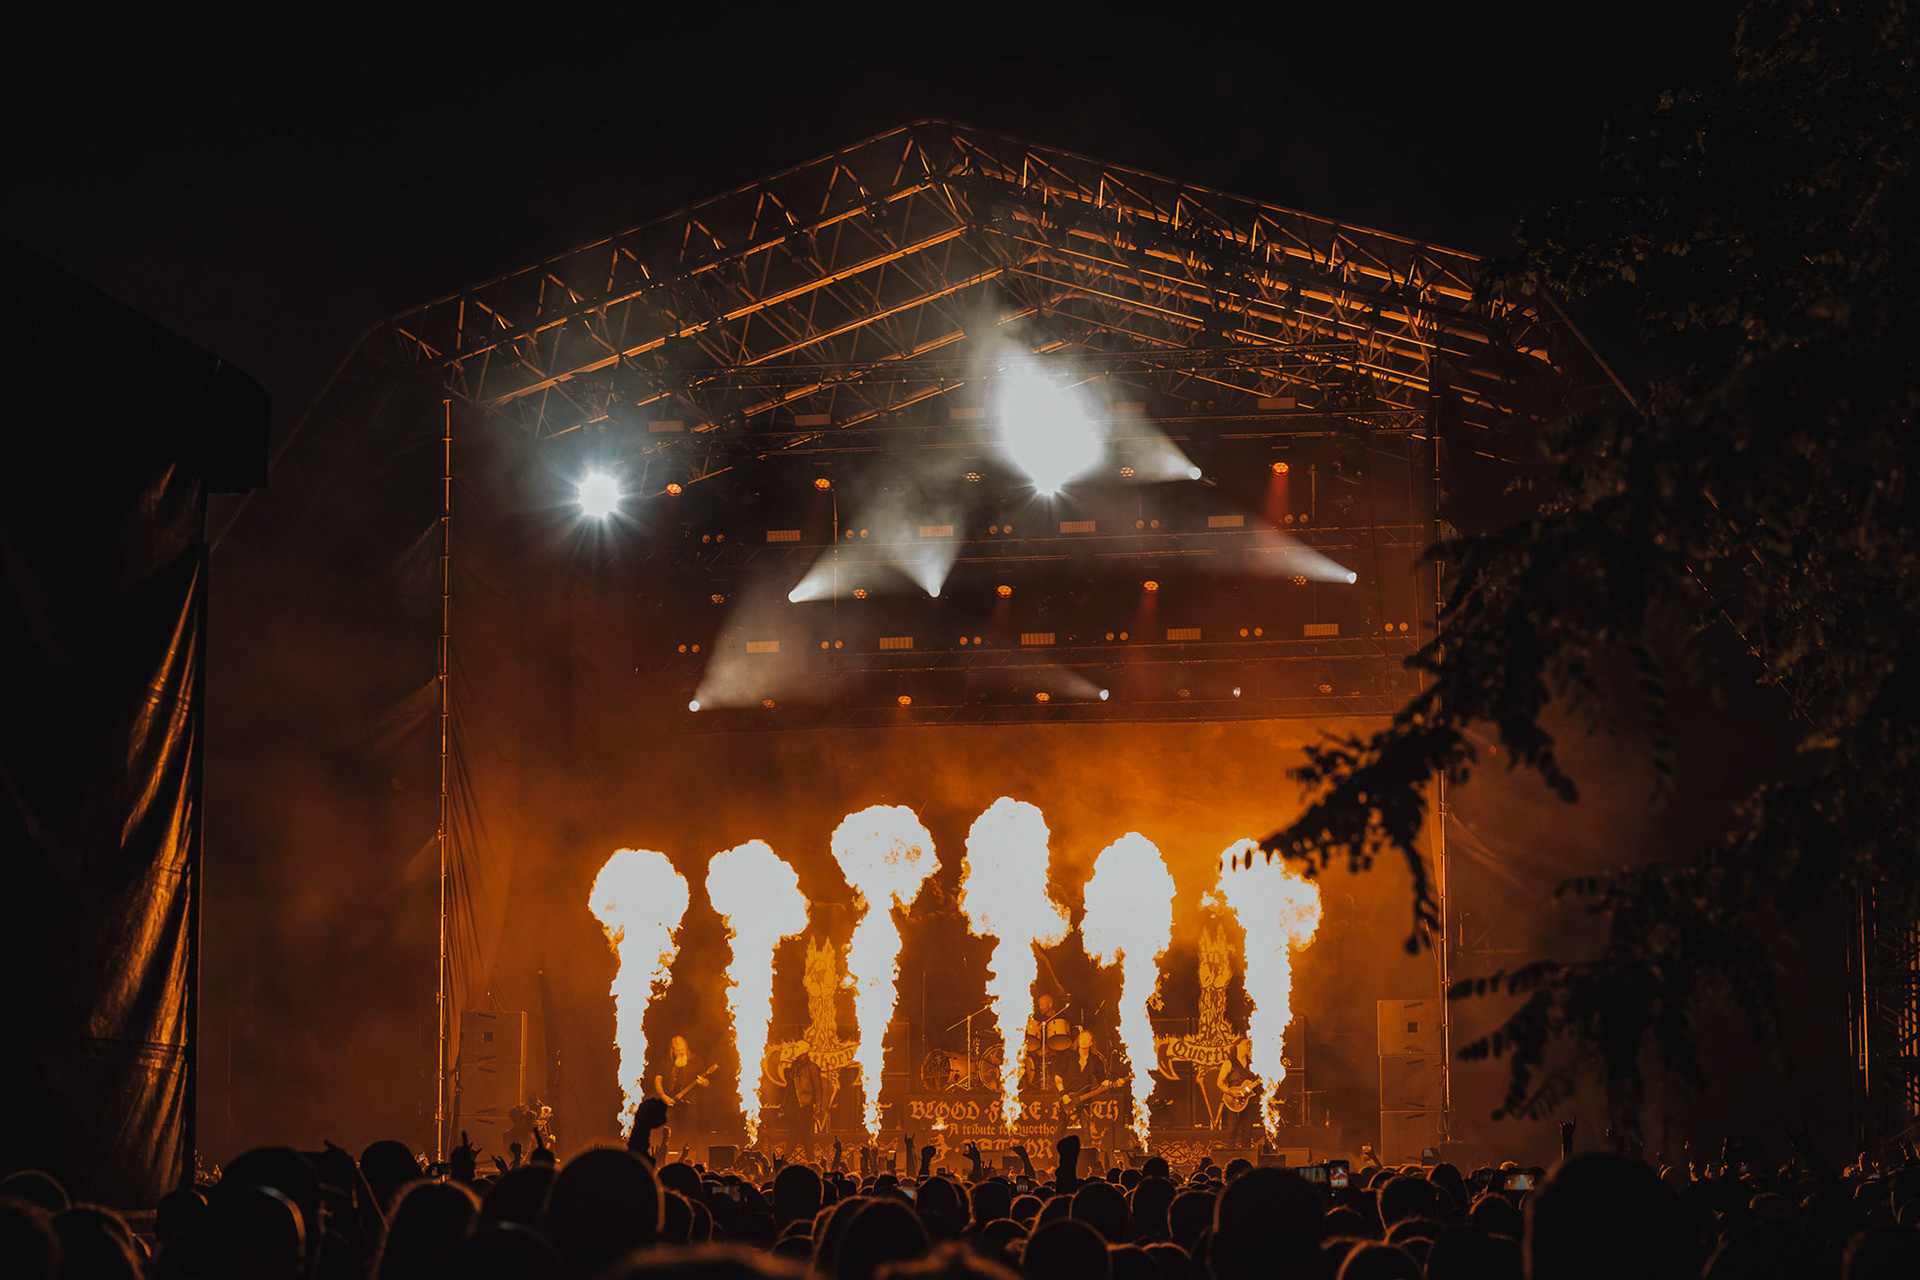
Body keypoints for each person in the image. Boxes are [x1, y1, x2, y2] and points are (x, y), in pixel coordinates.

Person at [1056, 1029, 1113, 1158]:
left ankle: (1088, 1160)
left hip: (1084, 1099)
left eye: (1087, 1039)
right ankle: (1056, 1159)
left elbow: (1102, 1079)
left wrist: (1113, 1083)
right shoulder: (1068, 1056)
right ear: (1078, 1041)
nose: (1083, 1040)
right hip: (1067, 1097)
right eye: (1081, 1038)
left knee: (1086, 1131)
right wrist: (1063, 1094)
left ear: (1091, 1043)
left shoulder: (1095, 1060)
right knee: (1060, 1130)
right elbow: (1058, 1077)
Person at [655, 1035, 711, 1154]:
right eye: (677, 1050)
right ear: (672, 1049)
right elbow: (658, 1079)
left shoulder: (695, 1061)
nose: (680, 1052)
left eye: (682, 1049)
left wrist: (703, 1082)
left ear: (686, 1046)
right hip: (671, 1104)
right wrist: (663, 1096)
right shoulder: (667, 1061)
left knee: (692, 1134)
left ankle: (699, 1160)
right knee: (670, 1134)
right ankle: (670, 1159)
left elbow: (707, 1082)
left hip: (689, 1105)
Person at [1215, 1038, 1261, 1146]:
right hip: (1232, 1101)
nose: (1249, 1046)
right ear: (1237, 1046)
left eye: (1249, 1044)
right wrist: (1230, 1092)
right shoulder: (1229, 1063)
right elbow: (1219, 1083)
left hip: (1250, 1101)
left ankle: (1246, 1155)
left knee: (1248, 1133)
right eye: (1246, 1044)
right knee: (1232, 1131)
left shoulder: (1253, 1064)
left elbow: (1259, 1079)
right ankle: (1231, 1154)